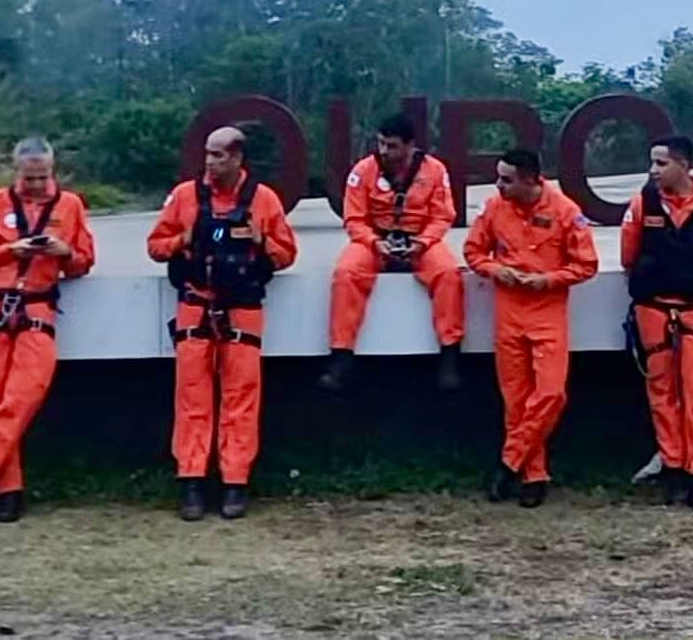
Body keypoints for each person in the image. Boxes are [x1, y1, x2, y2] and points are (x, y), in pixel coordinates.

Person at [147, 126, 298, 521]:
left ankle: (235, 482)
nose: (210, 163)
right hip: (196, 306)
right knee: (192, 398)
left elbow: (286, 254)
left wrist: (260, 240)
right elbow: (155, 247)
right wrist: (183, 239)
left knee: (241, 399)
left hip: (243, 308)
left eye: (218, 156)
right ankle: (191, 482)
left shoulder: (263, 200)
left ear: (236, 158)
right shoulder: (184, 197)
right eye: (208, 154)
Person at [0, 136, 95, 522]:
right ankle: (7, 490)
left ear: (52, 171)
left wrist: (65, 253)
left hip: (38, 307)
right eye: (30, 178)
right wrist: (11, 250)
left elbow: (85, 261)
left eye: (43, 177)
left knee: (25, 392)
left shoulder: (70, 206)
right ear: (16, 171)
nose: (37, 185)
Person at [464, 149, 598, 508]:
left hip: (547, 311)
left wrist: (548, 279)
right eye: (498, 177)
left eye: (506, 179)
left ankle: (508, 463)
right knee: (517, 402)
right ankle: (533, 475)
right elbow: (473, 252)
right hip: (508, 312)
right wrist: (497, 270)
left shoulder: (566, 211)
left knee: (551, 394)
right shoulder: (493, 208)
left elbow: (587, 265)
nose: (498, 185)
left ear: (530, 179)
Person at [621, 135, 693, 511]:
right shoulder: (642, 203)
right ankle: (673, 470)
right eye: (651, 163)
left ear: (684, 165)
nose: (653, 171)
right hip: (653, 308)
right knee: (662, 393)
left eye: (661, 163)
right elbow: (629, 253)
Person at [319, 113, 464, 391]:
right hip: (375, 239)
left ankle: (449, 356)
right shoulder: (363, 171)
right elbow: (353, 219)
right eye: (382, 143)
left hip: (420, 240)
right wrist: (374, 242)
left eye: (393, 146)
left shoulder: (434, 171)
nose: (385, 151)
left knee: (448, 274)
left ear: (411, 145)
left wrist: (423, 242)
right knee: (346, 273)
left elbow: (443, 216)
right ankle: (341, 356)